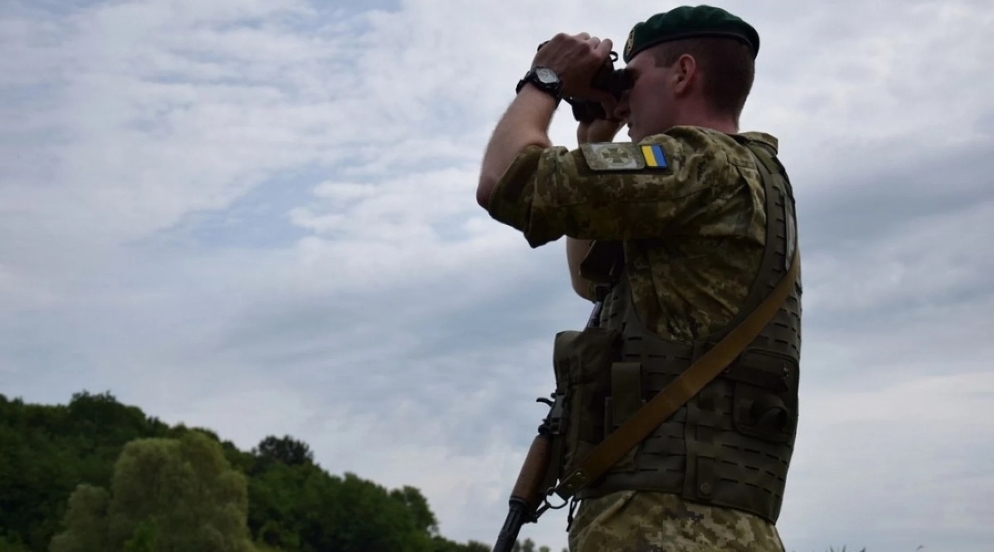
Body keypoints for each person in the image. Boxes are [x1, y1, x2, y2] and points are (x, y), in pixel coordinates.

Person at [476, 5, 802, 552]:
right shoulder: (744, 175)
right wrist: (596, 139)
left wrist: (545, 79)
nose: (624, 100)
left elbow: (506, 182)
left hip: (662, 526)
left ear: (683, 73)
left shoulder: (698, 162)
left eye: (631, 79)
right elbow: (591, 279)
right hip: (712, 527)